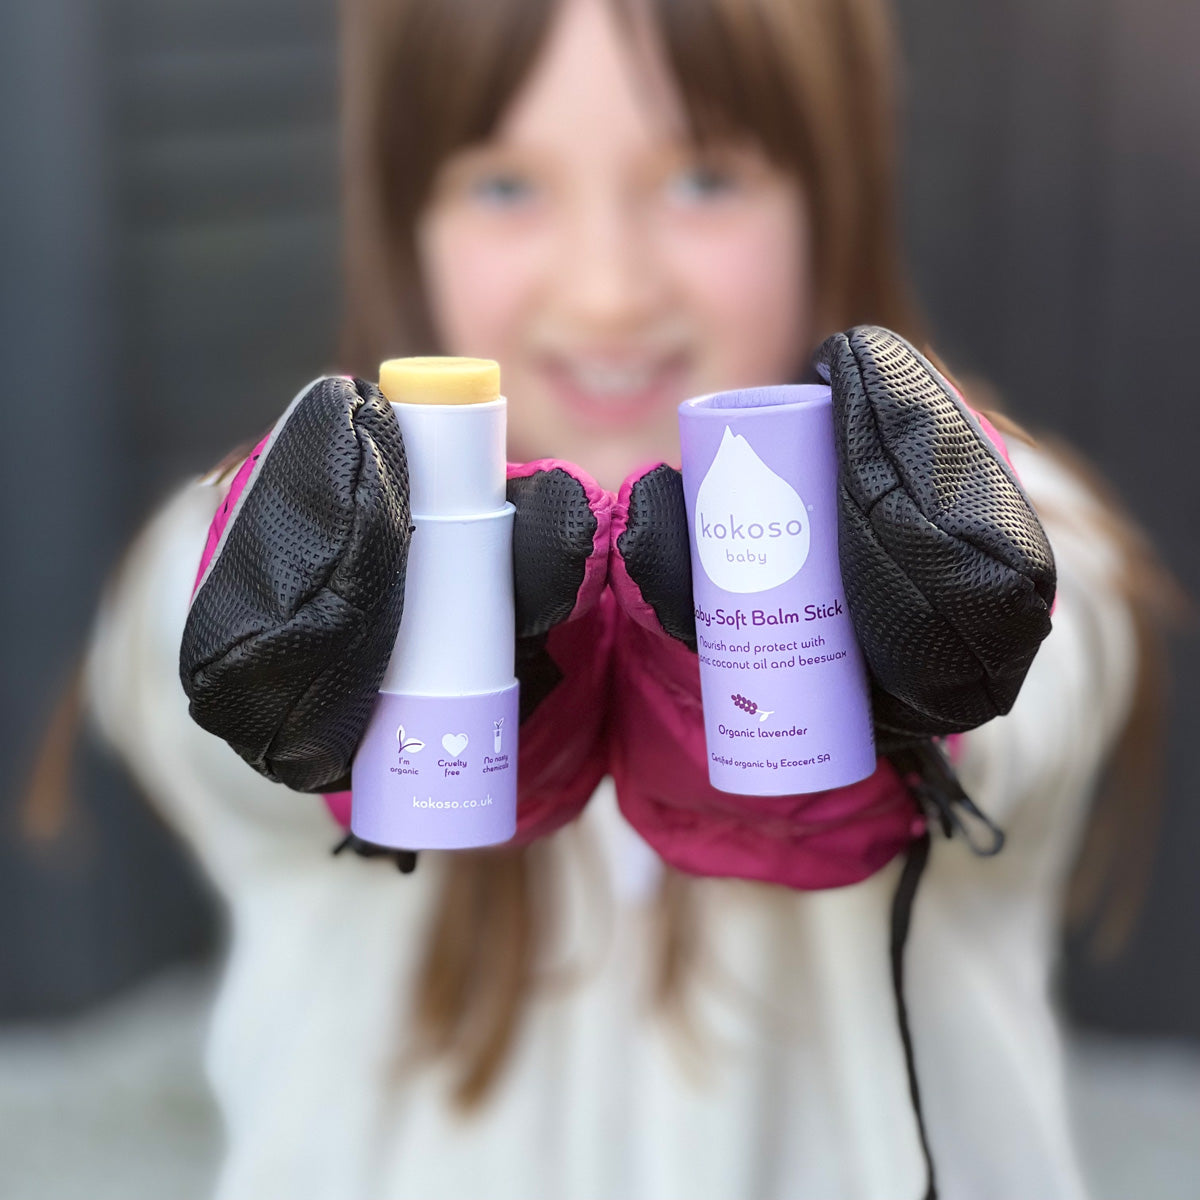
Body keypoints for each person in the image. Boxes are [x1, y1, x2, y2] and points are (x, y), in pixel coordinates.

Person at [83, 0, 1170, 1196]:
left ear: (831, 189)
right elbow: (180, 684)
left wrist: (832, 664)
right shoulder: (260, 537)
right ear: (407, 214)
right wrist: (390, 673)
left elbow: (1044, 693)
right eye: (506, 185)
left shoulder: (1006, 522)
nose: (607, 290)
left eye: (703, 177)